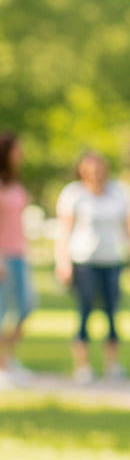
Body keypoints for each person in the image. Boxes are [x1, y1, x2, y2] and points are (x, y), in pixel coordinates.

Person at [55, 151, 130, 383]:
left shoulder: (119, 192)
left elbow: (129, 224)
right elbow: (64, 231)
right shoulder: (74, 194)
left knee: (112, 312)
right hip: (84, 260)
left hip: (112, 259)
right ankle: (82, 366)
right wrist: (63, 262)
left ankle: (112, 364)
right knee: (84, 311)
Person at [0, 132, 35, 388]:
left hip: (19, 253)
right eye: (17, 150)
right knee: (1, 311)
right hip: (2, 255)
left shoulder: (17, 184)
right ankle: (2, 366)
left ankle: (8, 359)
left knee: (25, 305)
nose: (20, 154)